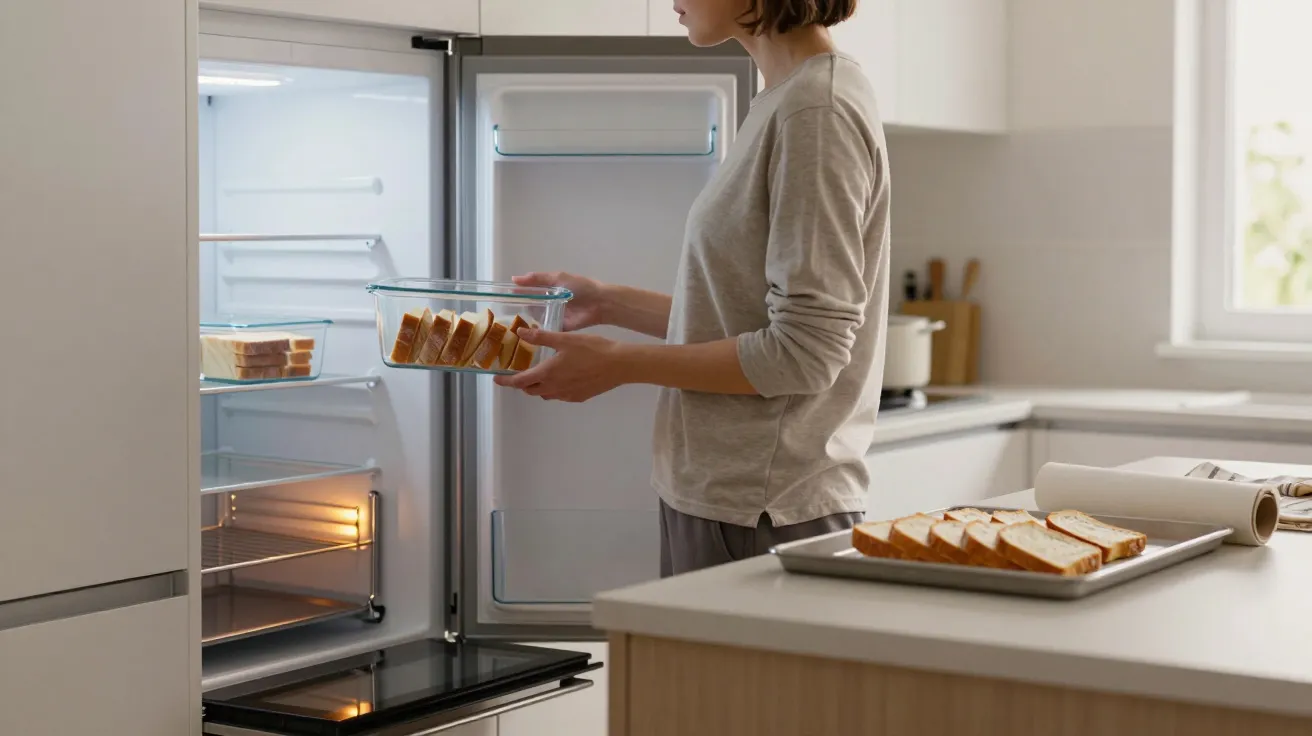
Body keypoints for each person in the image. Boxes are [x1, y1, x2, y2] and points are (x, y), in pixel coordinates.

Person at [494, 0, 890, 577]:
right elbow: (750, 320)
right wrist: (610, 303)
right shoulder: (787, 99)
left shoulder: (816, 110)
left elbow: (807, 353)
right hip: (729, 498)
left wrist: (621, 364)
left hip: (763, 508)